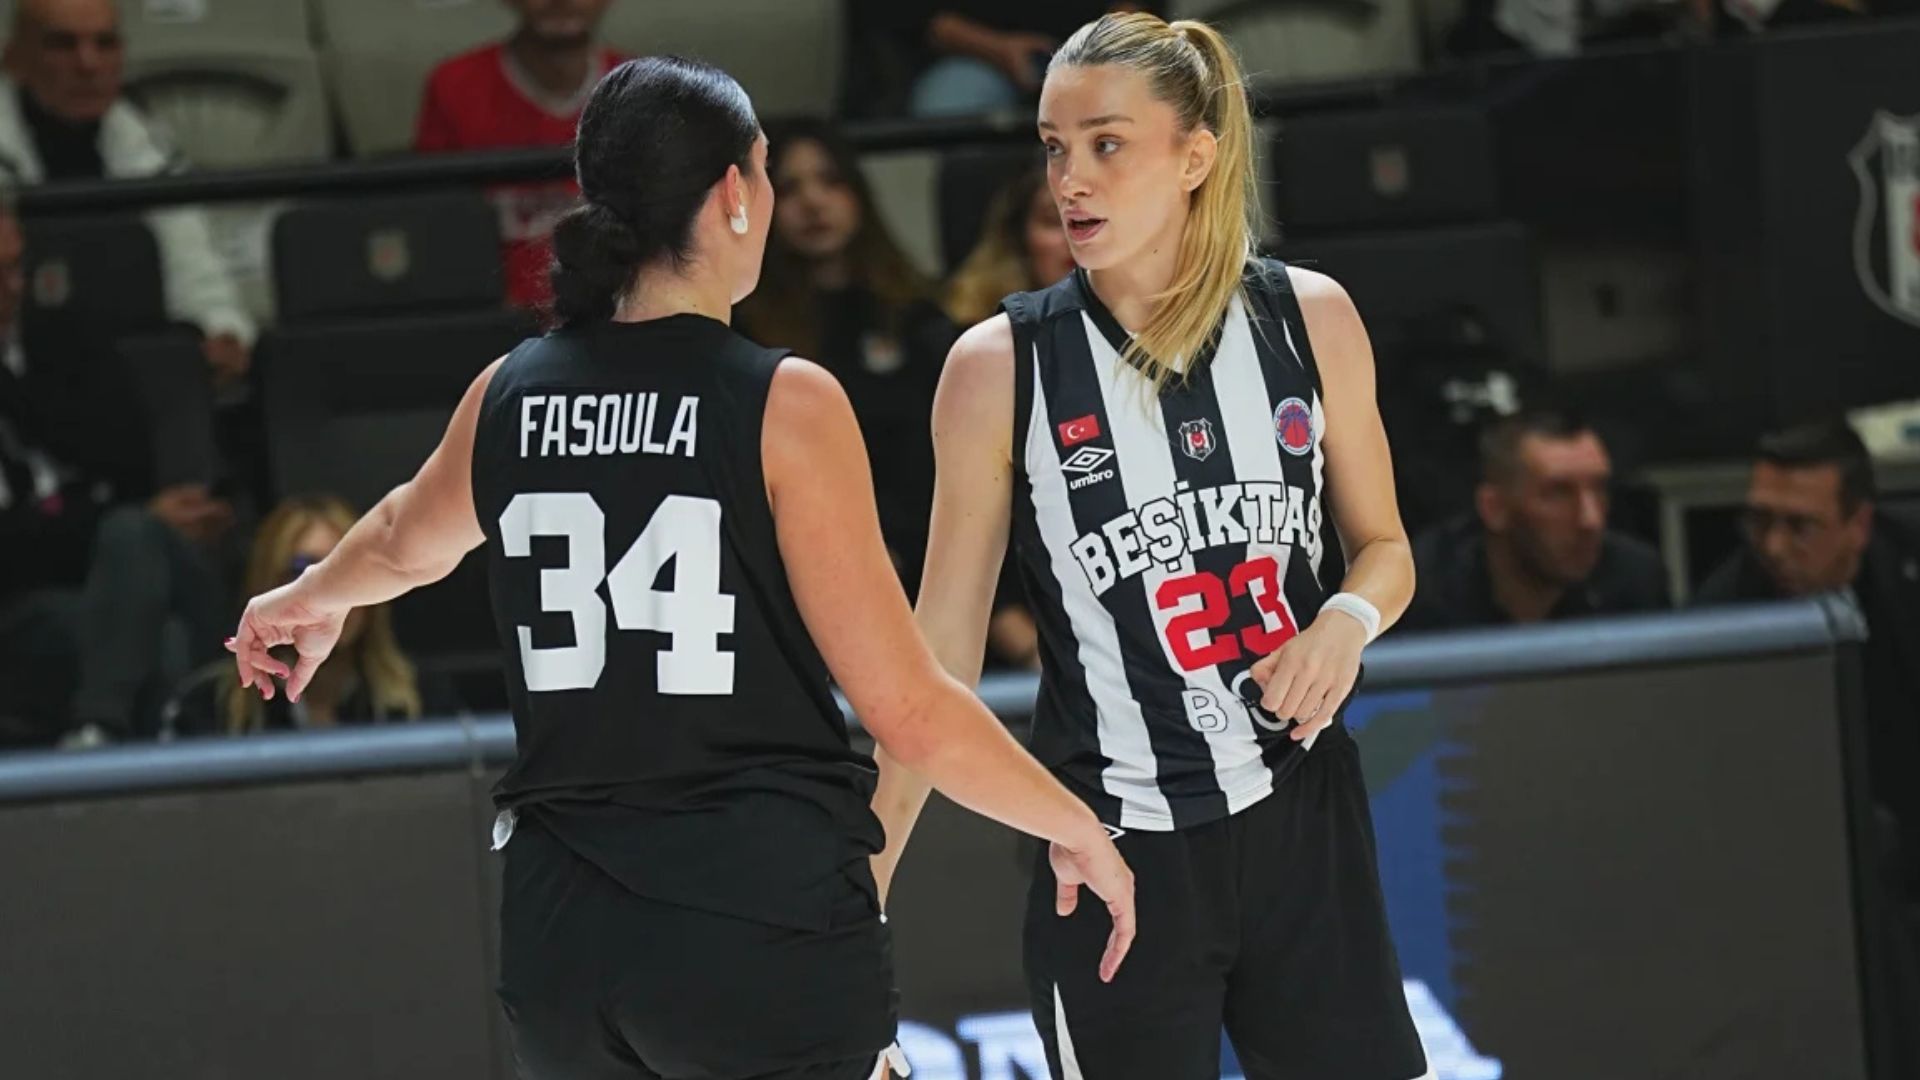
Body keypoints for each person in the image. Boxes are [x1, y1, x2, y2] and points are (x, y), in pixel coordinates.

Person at [227, 57, 1134, 1080]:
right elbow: (908, 708)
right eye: (767, 171)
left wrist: (311, 597)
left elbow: (402, 536)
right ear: (734, 194)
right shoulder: (786, 402)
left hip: (563, 941)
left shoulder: (509, 390)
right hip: (753, 922)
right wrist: (1074, 824)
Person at [872, 13, 1430, 1078]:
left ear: (1194, 157)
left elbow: (1388, 548)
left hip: (1303, 821)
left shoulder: (1310, 318)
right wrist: (861, 906)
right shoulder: (998, 367)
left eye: (1106, 144)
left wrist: (1345, 622)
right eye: (1054, 147)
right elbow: (934, 663)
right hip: (1113, 848)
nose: (1069, 180)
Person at [0, 192, 232, 748]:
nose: (13, 287)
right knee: (162, 637)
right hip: (35, 600)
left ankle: (96, 730)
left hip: (138, 555)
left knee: (136, 538)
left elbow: (131, 463)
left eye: (15, 267)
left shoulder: (67, 342)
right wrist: (100, 520)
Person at [1693, 420, 1920, 903]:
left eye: (1800, 526)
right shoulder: (1721, 619)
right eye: (1760, 521)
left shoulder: (1908, 561)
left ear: (1858, 525)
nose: (1773, 548)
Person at [734, 119, 956, 596]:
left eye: (830, 181)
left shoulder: (917, 320)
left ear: (858, 193)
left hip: (922, 565)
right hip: (796, 571)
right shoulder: (743, 333)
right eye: (789, 189)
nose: (814, 202)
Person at [0, 0, 255, 385]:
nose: (88, 64)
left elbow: (194, 266)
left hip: (129, 372)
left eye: (105, 44)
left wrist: (220, 329)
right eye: (62, 45)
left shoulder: (147, 147)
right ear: (14, 58)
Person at [943, 165, 1074, 669]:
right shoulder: (975, 359)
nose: (1073, 234)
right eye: (1052, 220)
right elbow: (959, 544)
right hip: (1014, 645)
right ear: (1018, 240)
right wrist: (1029, 648)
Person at [415, 0, 623, 311]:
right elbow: (431, 233)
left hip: (616, 319)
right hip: (490, 321)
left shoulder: (640, 87)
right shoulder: (454, 86)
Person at [1400, 409, 1668, 631]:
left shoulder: (1635, 580)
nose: (1591, 520)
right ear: (1494, 508)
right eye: (1559, 494)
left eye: (1599, 489)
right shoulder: (1418, 592)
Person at [220, 496, 424, 734]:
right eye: (301, 570)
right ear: (268, 583)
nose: (327, 596)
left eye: (345, 571)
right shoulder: (207, 707)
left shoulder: (424, 698)